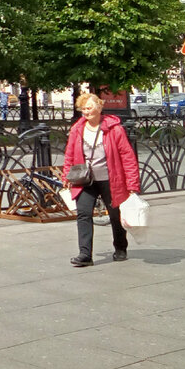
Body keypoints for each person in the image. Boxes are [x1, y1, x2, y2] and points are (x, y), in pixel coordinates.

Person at [63, 92, 140, 267]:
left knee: (115, 214)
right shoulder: (77, 129)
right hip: (85, 179)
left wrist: (132, 183)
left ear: (99, 107)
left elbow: (127, 156)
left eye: (89, 108)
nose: (86, 112)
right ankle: (85, 254)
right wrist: (66, 175)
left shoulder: (114, 129)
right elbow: (69, 154)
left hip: (110, 179)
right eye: (83, 109)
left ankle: (120, 248)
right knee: (83, 214)